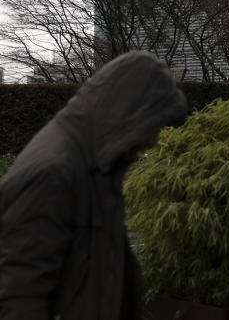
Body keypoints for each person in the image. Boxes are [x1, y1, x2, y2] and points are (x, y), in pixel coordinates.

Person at [0, 51, 189, 319]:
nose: (153, 139)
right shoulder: (54, 173)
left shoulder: (95, 164)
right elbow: (20, 299)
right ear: (129, 111)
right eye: (153, 124)